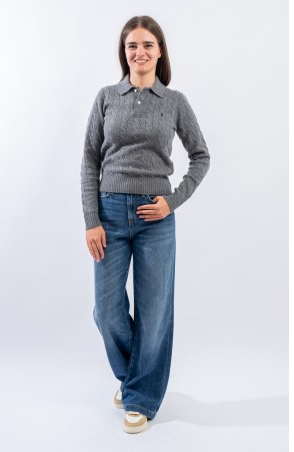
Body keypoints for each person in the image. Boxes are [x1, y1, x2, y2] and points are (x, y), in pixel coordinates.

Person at [80, 15, 210, 433]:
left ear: (160, 51)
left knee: (154, 313)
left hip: (156, 219)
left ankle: (138, 396)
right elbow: (90, 160)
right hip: (110, 214)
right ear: (124, 52)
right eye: (132, 45)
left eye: (147, 45)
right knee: (106, 310)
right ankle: (137, 379)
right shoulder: (106, 97)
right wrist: (92, 220)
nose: (140, 52)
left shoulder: (174, 101)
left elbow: (201, 156)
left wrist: (172, 201)